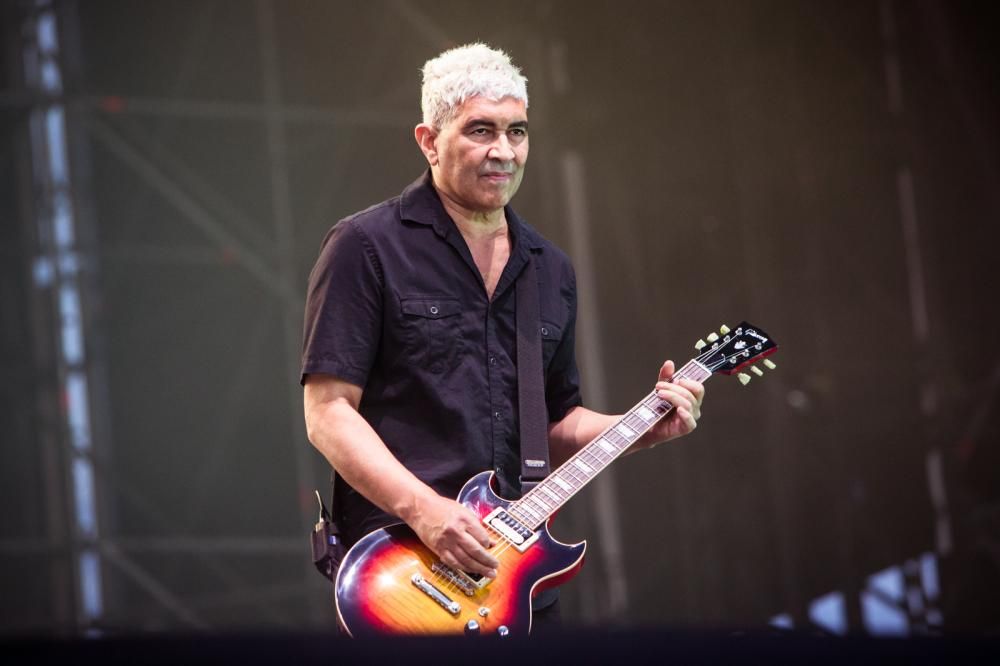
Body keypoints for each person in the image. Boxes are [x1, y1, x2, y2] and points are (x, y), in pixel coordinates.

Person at [301, 43, 705, 628]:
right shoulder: (365, 245)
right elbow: (328, 412)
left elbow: (554, 423)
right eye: (480, 130)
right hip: (405, 572)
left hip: (513, 581)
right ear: (428, 141)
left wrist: (638, 428)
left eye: (517, 132)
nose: (504, 151)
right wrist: (426, 509)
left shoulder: (550, 268)